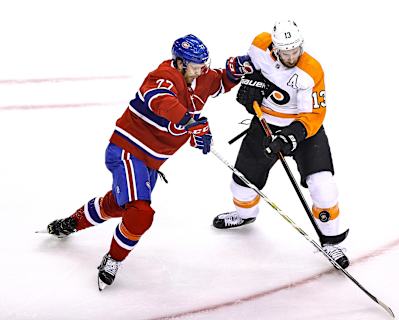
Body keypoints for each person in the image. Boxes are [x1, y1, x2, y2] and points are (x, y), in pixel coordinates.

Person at [44, 34, 253, 290]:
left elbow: (219, 81)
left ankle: (71, 223)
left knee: (120, 206)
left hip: (150, 163)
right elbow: (161, 101)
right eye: (196, 65)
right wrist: (191, 124)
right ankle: (113, 259)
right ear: (179, 63)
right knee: (141, 213)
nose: (201, 70)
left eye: (203, 64)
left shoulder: (201, 76)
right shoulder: (163, 76)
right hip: (127, 151)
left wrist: (239, 68)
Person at [212, 20, 350, 268]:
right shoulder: (259, 45)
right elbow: (248, 67)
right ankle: (245, 216)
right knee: (241, 185)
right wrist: (250, 84)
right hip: (265, 123)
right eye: (285, 52)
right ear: (275, 48)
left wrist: (290, 137)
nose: (291, 56)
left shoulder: (311, 71)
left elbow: (314, 116)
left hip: (305, 130)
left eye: (295, 51)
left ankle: (332, 241)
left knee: (323, 186)